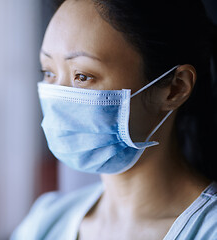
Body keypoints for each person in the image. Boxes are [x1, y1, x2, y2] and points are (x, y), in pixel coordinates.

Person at [11, 0, 217, 239]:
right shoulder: (46, 222)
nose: (58, 97)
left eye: (83, 76)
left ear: (175, 88)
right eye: (48, 72)